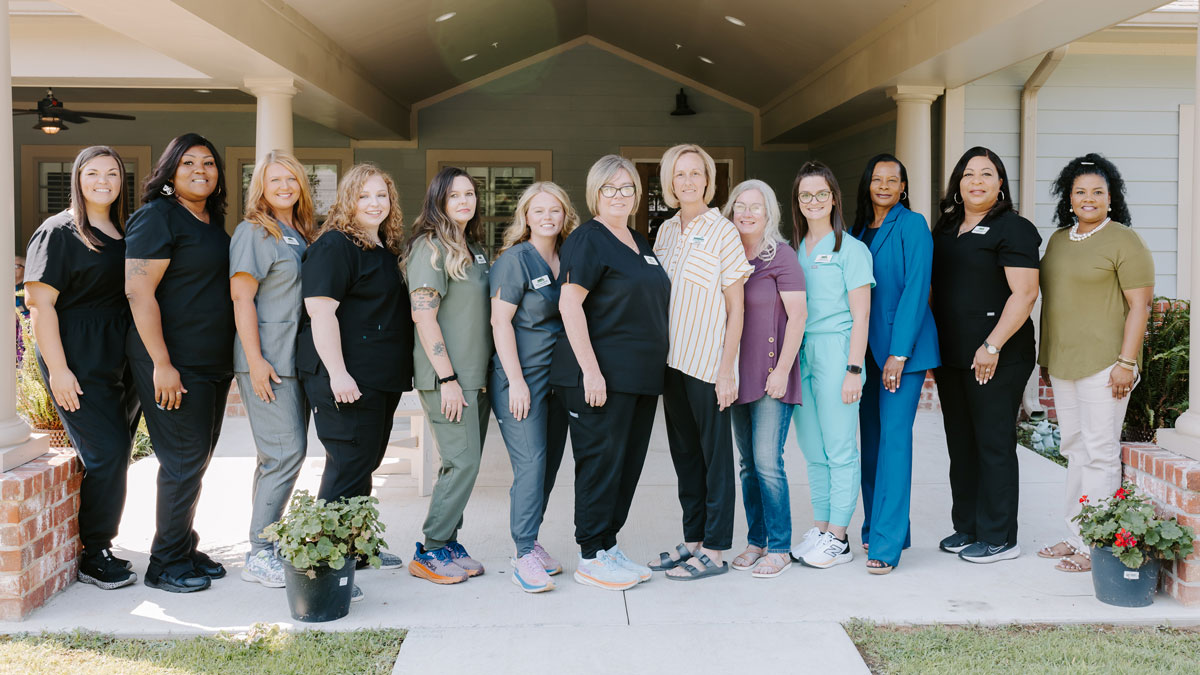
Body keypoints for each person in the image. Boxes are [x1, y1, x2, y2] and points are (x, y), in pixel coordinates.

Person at [550, 154, 670, 591]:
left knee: (626, 466)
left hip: (639, 379)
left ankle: (608, 546)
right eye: (609, 188)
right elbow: (569, 305)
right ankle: (590, 555)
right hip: (599, 379)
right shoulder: (588, 239)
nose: (619, 195)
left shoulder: (638, 240)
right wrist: (591, 371)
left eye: (627, 188)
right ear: (595, 193)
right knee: (599, 466)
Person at [24, 146, 140, 590]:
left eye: (112, 173)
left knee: (119, 452)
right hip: (77, 356)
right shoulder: (58, 231)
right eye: (92, 173)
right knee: (107, 452)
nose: (103, 181)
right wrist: (58, 370)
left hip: (121, 356)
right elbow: (40, 306)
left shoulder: (125, 231)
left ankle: (101, 543)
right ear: (77, 178)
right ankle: (95, 552)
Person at [298, 164, 414, 601]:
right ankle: (322, 571)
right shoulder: (335, 246)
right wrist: (338, 373)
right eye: (364, 195)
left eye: (382, 195)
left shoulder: (381, 248)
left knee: (364, 463)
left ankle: (354, 549)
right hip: (346, 378)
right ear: (347, 200)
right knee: (347, 466)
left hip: (377, 378)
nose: (374, 203)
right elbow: (320, 311)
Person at [125, 133, 233, 593]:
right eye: (187, 163)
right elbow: (138, 291)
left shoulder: (210, 220)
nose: (199, 170)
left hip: (211, 361)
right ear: (170, 171)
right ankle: (165, 563)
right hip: (173, 361)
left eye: (208, 163)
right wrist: (162, 363)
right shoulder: (157, 216)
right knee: (183, 460)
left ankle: (182, 545)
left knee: (198, 459)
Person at [1037, 154, 1154, 574]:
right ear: (1069, 198)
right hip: (1064, 362)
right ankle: (1075, 534)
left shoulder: (1125, 240)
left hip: (1107, 364)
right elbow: (1054, 303)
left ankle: (1097, 545)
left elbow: (1139, 307)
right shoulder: (1058, 241)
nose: (1089, 198)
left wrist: (1126, 362)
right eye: (1080, 191)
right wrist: (1046, 358)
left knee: (1100, 451)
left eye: (1098, 192)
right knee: (1074, 448)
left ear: (1111, 197)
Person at [931, 146, 1040, 564]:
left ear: (1000, 183)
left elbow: (1025, 294)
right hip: (952, 355)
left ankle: (1000, 537)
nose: (976, 181)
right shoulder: (947, 227)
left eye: (986, 173)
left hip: (999, 355)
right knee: (961, 443)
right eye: (968, 174)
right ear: (958, 183)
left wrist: (992, 345)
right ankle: (968, 526)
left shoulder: (1014, 228)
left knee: (993, 443)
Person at [648, 144, 750, 581]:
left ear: (708, 180)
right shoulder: (665, 231)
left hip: (708, 364)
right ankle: (693, 540)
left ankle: (716, 548)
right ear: (670, 182)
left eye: (696, 173)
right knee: (685, 456)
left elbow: (737, 307)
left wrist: (727, 370)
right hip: (671, 364)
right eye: (680, 174)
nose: (688, 181)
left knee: (714, 459)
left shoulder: (724, 231)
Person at [230, 151, 318, 588]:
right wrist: (255, 361)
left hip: (296, 360)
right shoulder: (254, 231)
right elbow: (241, 297)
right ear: (260, 188)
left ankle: (267, 541)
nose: (284, 186)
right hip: (267, 361)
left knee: (279, 455)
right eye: (274, 180)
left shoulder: (300, 233)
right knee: (285, 453)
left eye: (291, 179)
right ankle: (259, 552)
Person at [849, 154, 940, 574]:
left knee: (894, 441)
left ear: (903, 187)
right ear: (867, 184)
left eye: (892, 180)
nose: (884, 186)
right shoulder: (855, 230)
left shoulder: (913, 224)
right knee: (870, 442)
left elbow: (917, 289)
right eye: (877, 179)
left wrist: (899, 353)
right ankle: (881, 527)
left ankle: (885, 546)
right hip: (863, 351)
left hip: (902, 352)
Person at [404, 167, 492, 585]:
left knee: (461, 465)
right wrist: (448, 379)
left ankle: (449, 542)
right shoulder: (430, 248)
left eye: (470, 194)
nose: (464, 201)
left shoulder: (472, 248)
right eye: (454, 194)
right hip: (448, 378)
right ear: (438, 199)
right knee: (463, 462)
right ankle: (431, 549)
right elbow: (424, 317)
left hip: (476, 376)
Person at [490, 181, 579, 593]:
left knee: (549, 465)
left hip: (558, 380)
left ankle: (532, 539)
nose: (547, 217)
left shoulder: (568, 256)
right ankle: (523, 552)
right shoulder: (515, 260)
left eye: (554, 210)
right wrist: (516, 382)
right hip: (521, 379)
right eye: (538, 210)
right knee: (531, 463)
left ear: (565, 215)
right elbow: (500, 323)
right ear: (526, 216)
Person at [789, 161, 874, 569]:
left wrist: (853, 370)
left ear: (834, 198)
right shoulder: (794, 250)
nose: (814, 201)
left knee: (839, 449)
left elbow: (862, 315)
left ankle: (839, 538)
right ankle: (821, 528)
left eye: (821, 193)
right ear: (797, 201)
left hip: (837, 352)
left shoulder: (851, 250)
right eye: (805, 195)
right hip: (800, 353)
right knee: (812, 449)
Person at [723, 179, 806, 579]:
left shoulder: (781, 255)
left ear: (769, 212)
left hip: (772, 374)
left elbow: (799, 316)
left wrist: (783, 370)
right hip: (736, 376)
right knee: (747, 465)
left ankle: (779, 546)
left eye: (756, 206)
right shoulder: (726, 254)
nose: (747, 213)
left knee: (767, 462)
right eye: (740, 206)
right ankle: (756, 542)